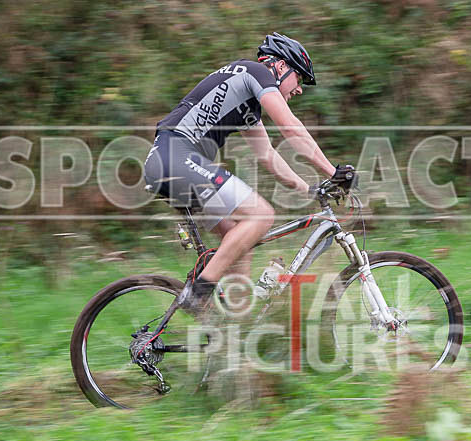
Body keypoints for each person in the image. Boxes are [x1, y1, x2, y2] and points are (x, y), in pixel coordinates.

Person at [143, 32, 352, 313]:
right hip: (176, 158)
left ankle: (234, 326)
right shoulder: (255, 72)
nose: (299, 89)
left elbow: (267, 155)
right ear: (280, 67)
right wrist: (333, 171)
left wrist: (311, 188)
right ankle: (199, 292)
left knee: (239, 243)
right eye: (299, 79)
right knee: (262, 215)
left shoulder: (246, 102)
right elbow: (290, 127)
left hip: (169, 162)